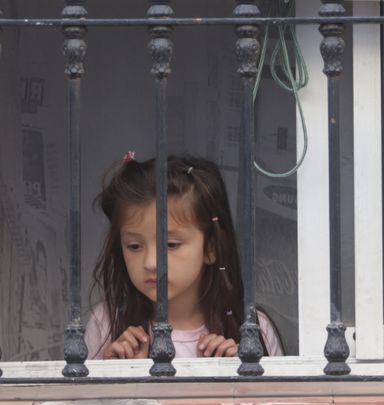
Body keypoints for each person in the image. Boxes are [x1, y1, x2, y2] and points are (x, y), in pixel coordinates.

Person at [85, 153, 284, 360]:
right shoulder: (107, 322)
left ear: (210, 249)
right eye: (134, 246)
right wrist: (115, 374)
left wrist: (234, 381)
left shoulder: (253, 327)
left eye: (171, 245)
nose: (151, 262)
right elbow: (81, 392)